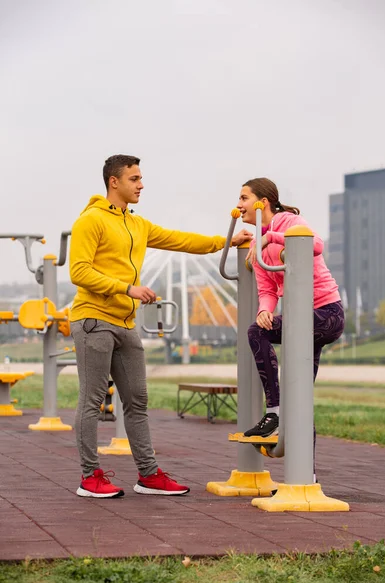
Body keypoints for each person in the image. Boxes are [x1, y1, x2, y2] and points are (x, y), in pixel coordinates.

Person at [69, 154, 252, 499]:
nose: (141, 184)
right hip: (93, 320)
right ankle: (89, 477)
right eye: (134, 178)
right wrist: (127, 288)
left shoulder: (137, 225)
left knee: (137, 401)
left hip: (125, 324)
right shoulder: (90, 221)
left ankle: (148, 475)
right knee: (92, 401)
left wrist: (226, 243)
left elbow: (180, 240)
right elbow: (78, 272)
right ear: (114, 182)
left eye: (140, 178)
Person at [237, 177, 344, 475]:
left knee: (258, 338)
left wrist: (271, 238)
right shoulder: (258, 247)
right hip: (301, 319)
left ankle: (275, 412)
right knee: (298, 396)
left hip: (327, 313)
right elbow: (268, 290)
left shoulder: (288, 220)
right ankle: (305, 473)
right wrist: (264, 311)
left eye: (244, 198)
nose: (239, 204)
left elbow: (316, 245)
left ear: (263, 203)